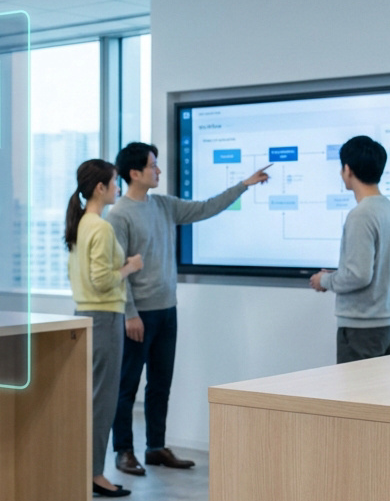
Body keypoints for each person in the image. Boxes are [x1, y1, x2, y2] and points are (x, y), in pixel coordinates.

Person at [107, 142, 270, 476]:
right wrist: (130, 313)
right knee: (127, 386)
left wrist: (244, 185)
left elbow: (206, 208)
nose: (159, 170)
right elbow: (115, 270)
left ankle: (155, 447)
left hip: (168, 309)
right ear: (134, 173)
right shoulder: (119, 215)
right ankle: (123, 451)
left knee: (160, 384)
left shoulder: (164, 205)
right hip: (139, 315)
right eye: (153, 165)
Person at [66, 159, 144, 498]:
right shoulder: (99, 227)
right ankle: (95, 474)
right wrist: (129, 267)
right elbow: (101, 281)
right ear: (101, 187)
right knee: (103, 400)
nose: (118, 188)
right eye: (114, 182)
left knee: (95, 398)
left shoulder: (83, 224)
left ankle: (87, 470)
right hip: (104, 316)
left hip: (87, 315)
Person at [309, 135, 390, 363]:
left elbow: (359, 275)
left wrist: (324, 281)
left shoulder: (361, 215)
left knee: (354, 397)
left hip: (363, 329)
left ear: (347, 169)